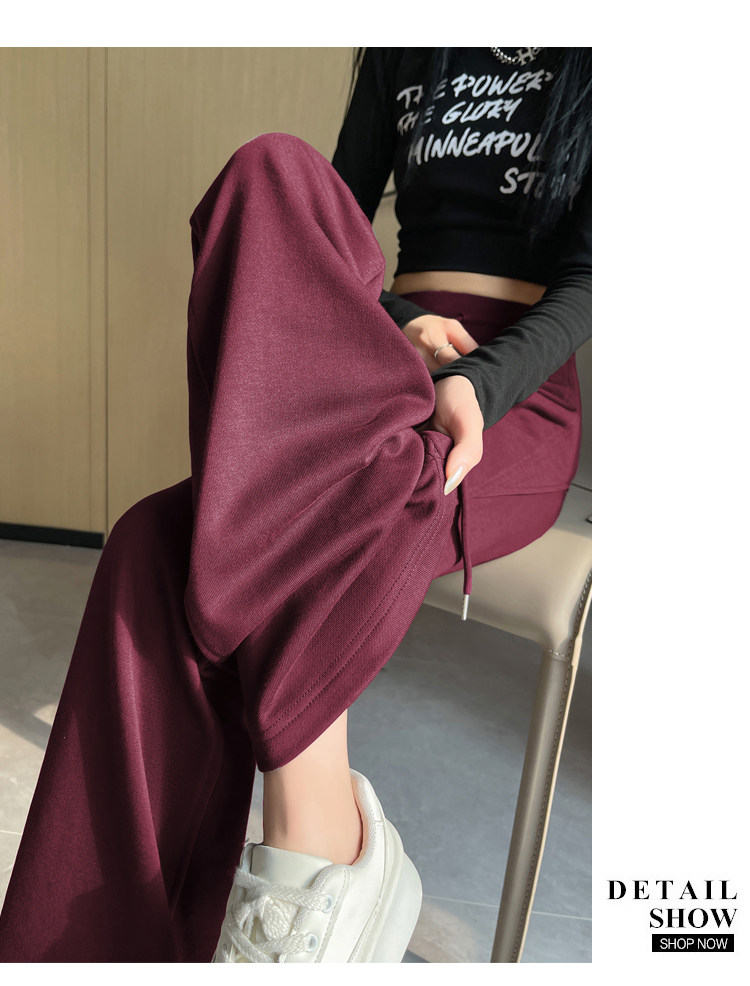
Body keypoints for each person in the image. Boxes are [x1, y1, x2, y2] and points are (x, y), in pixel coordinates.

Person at [0, 47, 591, 964]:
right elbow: (328, 233)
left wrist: (479, 380)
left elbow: (597, 280)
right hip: (392, 357)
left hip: (516, 391)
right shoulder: (409, 46)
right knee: (270, 171)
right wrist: (400, 324)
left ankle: (314, 843)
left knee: (343, 499)